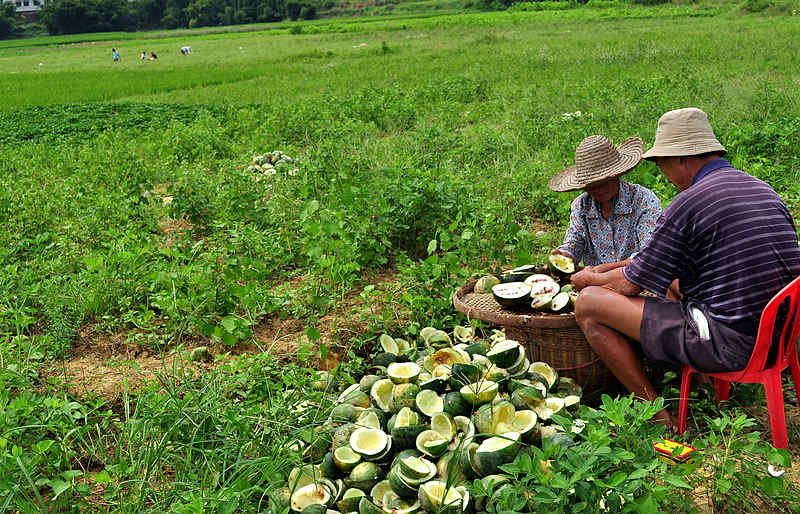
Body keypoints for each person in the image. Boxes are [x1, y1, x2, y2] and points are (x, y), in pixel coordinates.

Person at [571, 108, 800, 427]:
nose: (664, 173)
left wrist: (589, 279)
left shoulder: (688, 203)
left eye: (663, 164)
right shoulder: (764, 190)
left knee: (589, 304)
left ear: (682, 158)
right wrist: (600, 272)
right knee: (673, 280)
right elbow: (652, 266)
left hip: (731, 344)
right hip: (780, 338)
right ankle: (702, 383)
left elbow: (629, 285)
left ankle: (655, 413)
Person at [548, 135, 662, 272]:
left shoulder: (644, 200)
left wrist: (601, 271)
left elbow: (649, 256)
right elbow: (574, 241)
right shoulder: (581, 206)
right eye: (591, 185)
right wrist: (564, 255)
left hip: (638, 279)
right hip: (592, 283)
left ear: (616, 175)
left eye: (603, 183)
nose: (597, 190)